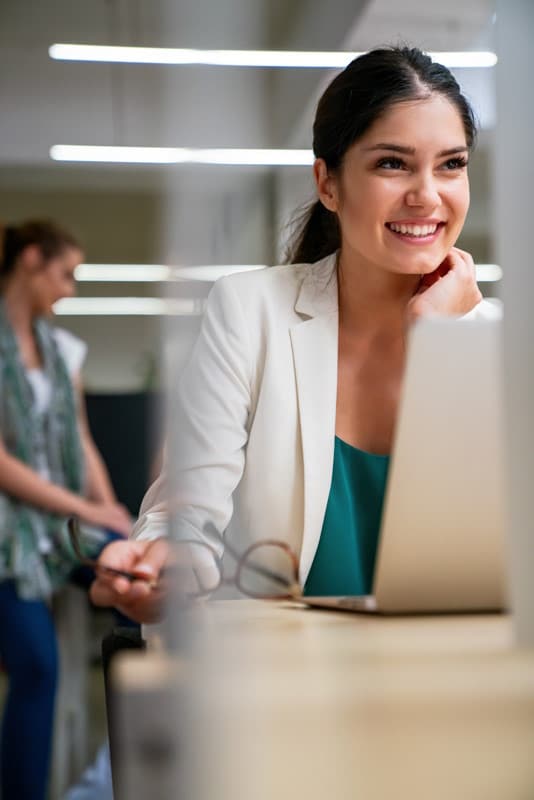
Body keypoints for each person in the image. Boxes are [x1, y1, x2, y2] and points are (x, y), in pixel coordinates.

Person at [90, 46, 494, 622]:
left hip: (448, 673)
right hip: (289, 677)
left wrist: (439, 348)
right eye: (392, 164)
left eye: (451, 164)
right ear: (328, 184)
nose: (427, 194)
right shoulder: (251, 310)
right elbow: (188, 504)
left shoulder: (497, 343)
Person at [0, 219, 132, 800]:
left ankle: (117, 774)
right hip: (8, 532)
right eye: (66, 273)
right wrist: (85, 507)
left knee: (142, 587)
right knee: (37, 668)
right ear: (30, 260)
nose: (71, 289)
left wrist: (113, 514)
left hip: (65, 521)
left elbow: (79, 439)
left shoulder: (61, 349)